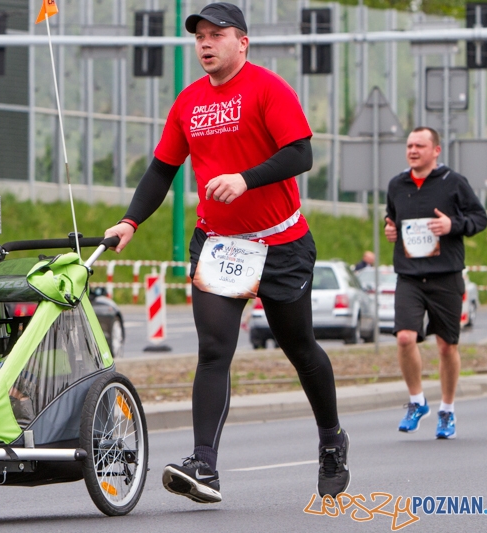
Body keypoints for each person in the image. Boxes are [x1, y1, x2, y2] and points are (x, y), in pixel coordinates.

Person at [103, 2, 349, 503]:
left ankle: (331, 441)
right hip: (219, 245)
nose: (206, 44)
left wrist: (245, 178)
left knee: (298, 347)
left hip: (281, 242)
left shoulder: (267, 88)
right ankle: (205, 466)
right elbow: (161, 171)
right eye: (199, 37)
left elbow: (300, 152)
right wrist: (130, 221)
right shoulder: (188, 101)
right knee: (214, 351)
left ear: (243, 42)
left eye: (217, 35)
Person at [384, 127, 487, 439]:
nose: (413, 150)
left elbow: (479, 219)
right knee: (404, 338)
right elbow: (393, 219)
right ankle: (417, 402)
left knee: (446, 346)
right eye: (409, 145)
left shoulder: (453, 182)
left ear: (436, 150)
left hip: (445, 275)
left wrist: (452, 225)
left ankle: (447, 409)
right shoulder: (397, 184)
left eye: (420, 145)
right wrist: (391, 231)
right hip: (409, 276)